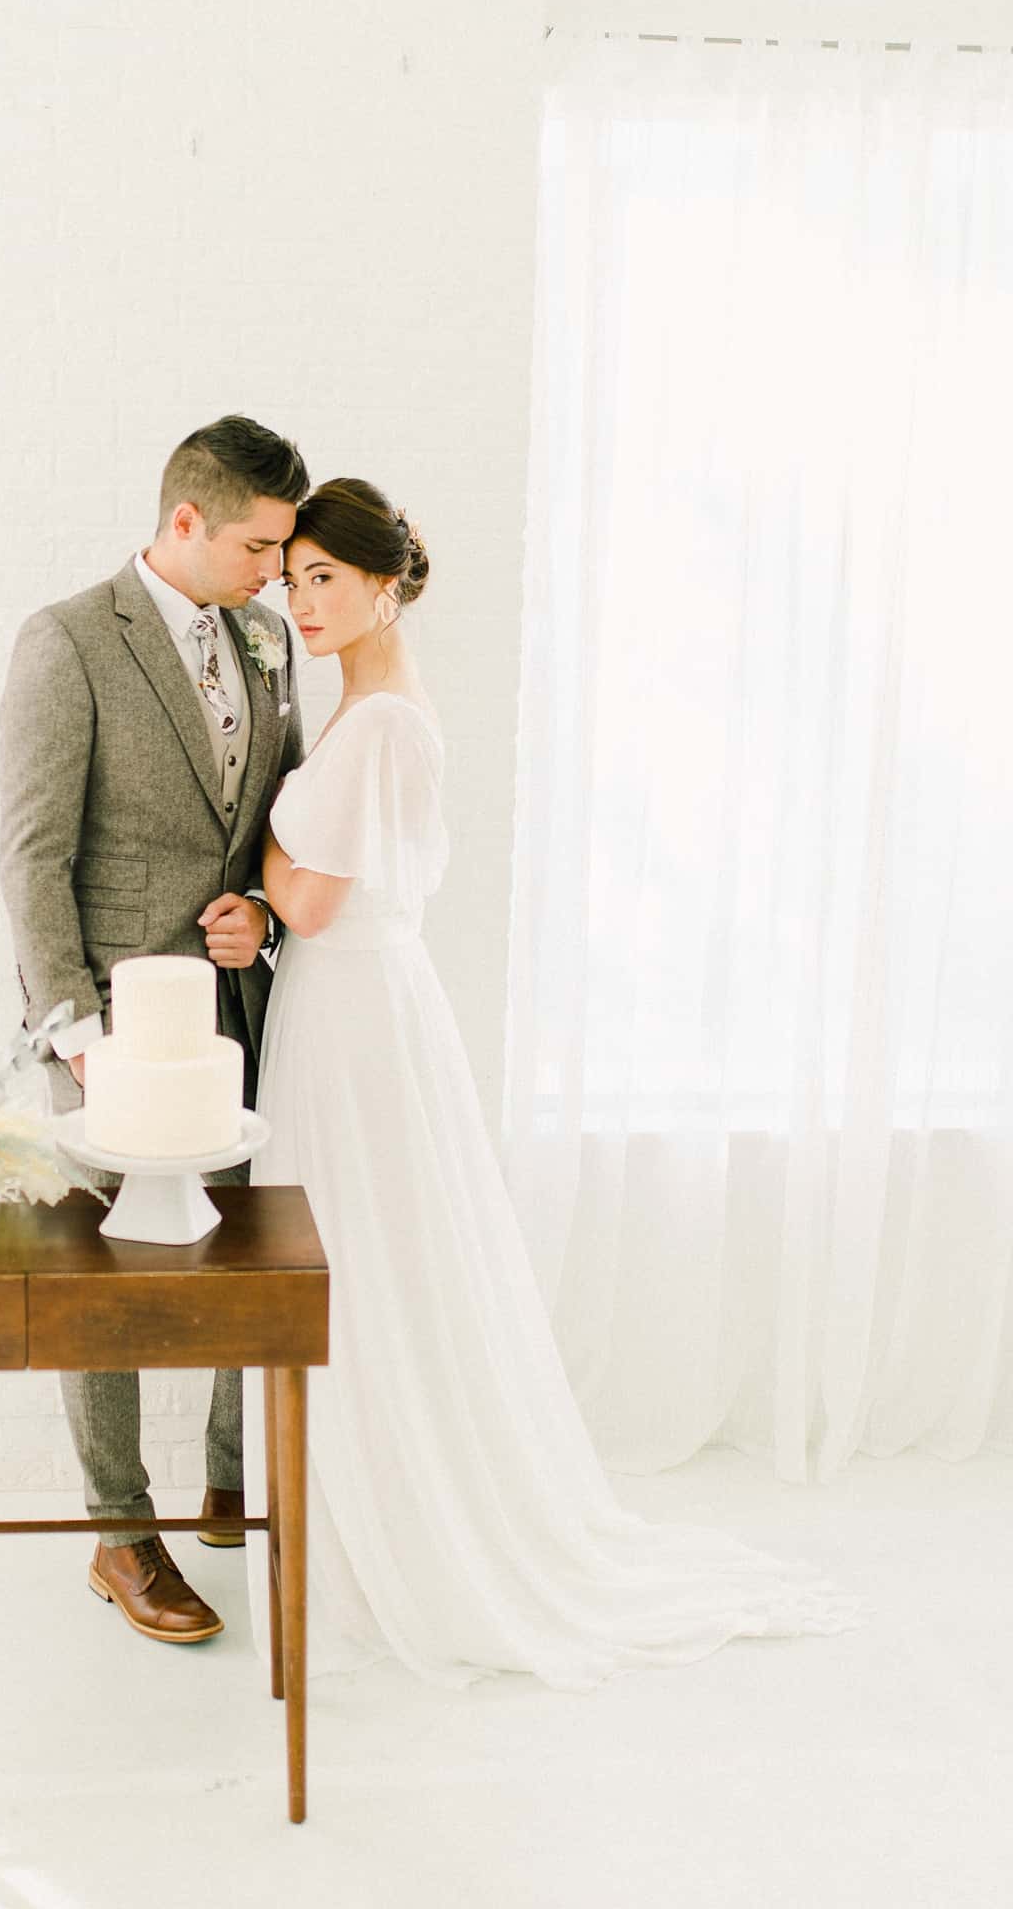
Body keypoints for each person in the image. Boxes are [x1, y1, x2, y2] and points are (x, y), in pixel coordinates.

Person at [242, 477, 864, 1688]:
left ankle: (395, 1528)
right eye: (291, 578)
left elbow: (307, 898)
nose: (301, 600)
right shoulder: (377, 713)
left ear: (384, 585)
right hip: (362, 1002)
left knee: (359, 1257)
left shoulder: (374, 725)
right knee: (375, 1258)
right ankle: (371, 1507)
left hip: (355, 1009)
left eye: (324, 578)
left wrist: (263, 838)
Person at [0, 414, 308, 1644]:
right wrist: (75, 1034)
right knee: (109, 1284)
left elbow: (276, 823)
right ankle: (119, 1533)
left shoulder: (270, 638)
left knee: (250, 1241)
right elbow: (31, 854)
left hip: (242, 1014)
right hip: (114, 1032)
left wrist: (264, 919)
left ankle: (230, 1476)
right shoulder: (68, 641)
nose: (274, 573)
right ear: (185, 521)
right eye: (256, 546)